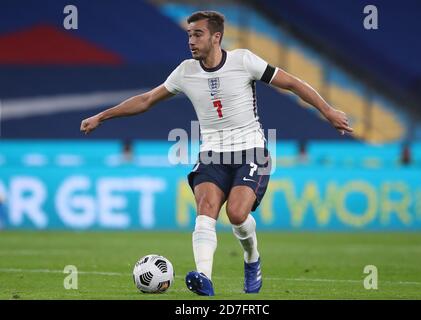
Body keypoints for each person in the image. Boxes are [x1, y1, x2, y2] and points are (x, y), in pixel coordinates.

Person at [80, 11, 353, 296]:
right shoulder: (186, 71)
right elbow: (147, 100)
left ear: (216, 37)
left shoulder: (243, 61)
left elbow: (293, 83)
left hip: (251, 151)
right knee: (206, 209)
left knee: (236, 214)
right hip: (211, 153)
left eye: (197, 34)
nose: (191, 41)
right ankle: (204, 278)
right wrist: (103, 115)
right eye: (189, 35)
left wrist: (328, 111)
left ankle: (252, 258)